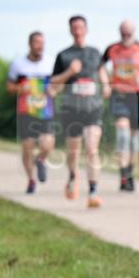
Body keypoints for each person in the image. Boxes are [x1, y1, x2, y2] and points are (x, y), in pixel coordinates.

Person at [49, 15, 110, 208]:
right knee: (74, 151)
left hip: (93, 107)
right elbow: (54, 84)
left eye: (80, 27)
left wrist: (107, 85)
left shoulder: (94, 52)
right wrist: (69, 72)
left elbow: (101, 72)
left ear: (86, 29)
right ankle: (72, 177)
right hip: (71, 108)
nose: (77, 31)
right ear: (70, 30)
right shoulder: (64, 55)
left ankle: (93, 192)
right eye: (74, 27)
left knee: (92, 149)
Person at [103, 20, 139, 192]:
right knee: (122, 134)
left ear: (134, 32)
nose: (125, 36)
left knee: (133, 138)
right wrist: (105, 83)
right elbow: (101, 67)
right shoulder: (112, 49)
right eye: (123, 33)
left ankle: (131, 171)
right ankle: (123, 174)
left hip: (138, 95)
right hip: (119, 94)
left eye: (128, 33)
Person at [6, 32, 55, 193]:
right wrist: (20, 88)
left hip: (45, 110)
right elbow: (9, 87)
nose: (40, 46)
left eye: (43, 43)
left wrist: (54, 90)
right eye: (37, 42)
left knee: (47, 144)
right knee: (27, 146)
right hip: (25, 111)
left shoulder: (50, 62)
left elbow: (58, 85)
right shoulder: (18, 64)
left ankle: (40, 160)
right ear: (30, 44)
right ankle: (31, 180)